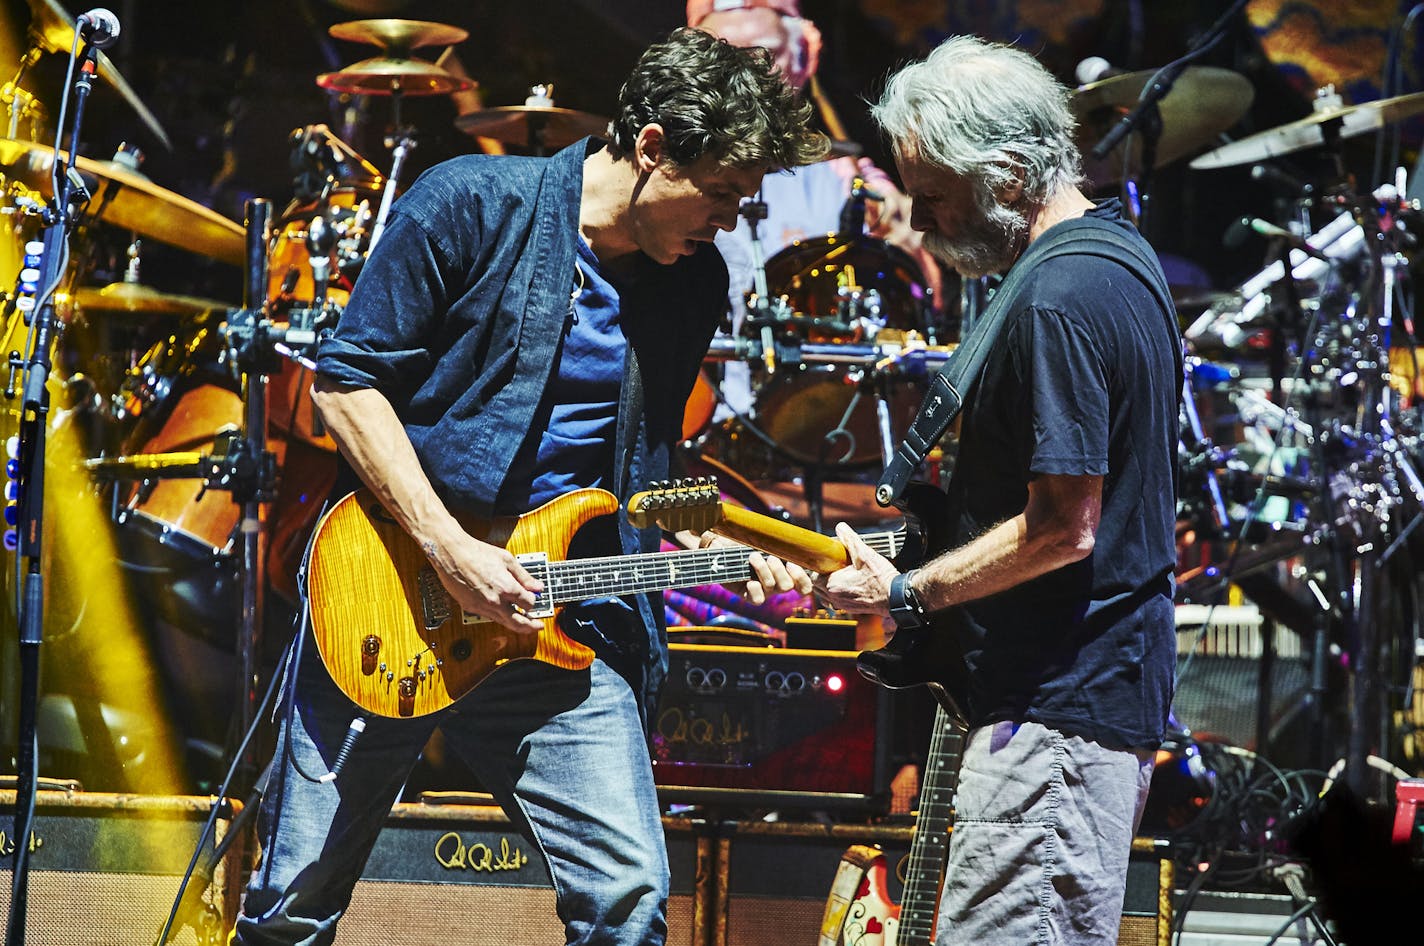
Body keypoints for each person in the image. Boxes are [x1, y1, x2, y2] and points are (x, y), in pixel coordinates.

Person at [232, 28, 824, 945]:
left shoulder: (689, 282)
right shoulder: (470, 201)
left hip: (555, 616)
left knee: (627, 902)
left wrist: (709, 540)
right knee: (290, 910)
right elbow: (346, 386)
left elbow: (642, 468)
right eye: (720, 193)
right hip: (389, 590)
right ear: (653, 148)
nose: (731, 220)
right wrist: (449, 547)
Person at [811, 36, 1180, 946]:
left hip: (1055, 721)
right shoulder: (1112, 262)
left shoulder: (1061, 296)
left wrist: (906, 593)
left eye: (937, 194)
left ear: (1010, 174)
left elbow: (1064, 528)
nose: (923, 218)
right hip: (1061, 709)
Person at [686, 0, 941, 418]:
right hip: (707, 427)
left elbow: (918, 294)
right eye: (726, 55)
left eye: (764, 55)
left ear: (804, 57)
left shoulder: (845, 176)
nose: (747, 73)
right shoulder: (675, 177)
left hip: (831, 420)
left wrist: (911, 242)